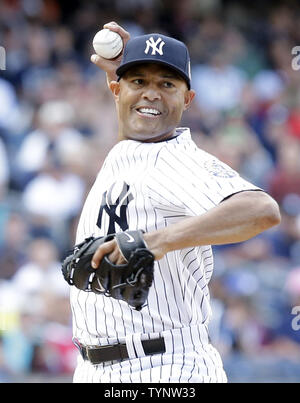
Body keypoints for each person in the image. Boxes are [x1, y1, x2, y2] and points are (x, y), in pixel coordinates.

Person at [70, 22, 281, 383]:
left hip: (164, 369)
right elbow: (138, 109)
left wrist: (157, 241)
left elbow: (261, 210)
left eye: (167, 85)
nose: (151, 94)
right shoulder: (131, 149)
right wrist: (123, 71)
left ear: (188, 100)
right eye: (139, 82)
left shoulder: (172, 158)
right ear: (116, 89)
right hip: (100, 369)